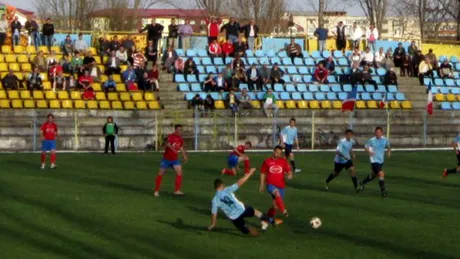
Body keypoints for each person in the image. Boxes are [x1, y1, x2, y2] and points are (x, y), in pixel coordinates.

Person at [208, 168, 270, 235]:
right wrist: (250, 173)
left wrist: (213, 224)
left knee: (246, 230)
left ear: (215, 188)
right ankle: (268, 220)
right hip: (242, 209)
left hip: (234, 217)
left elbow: (214, 213)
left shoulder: (214, 200)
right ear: (221, 185)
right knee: (255, 212)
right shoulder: (226, 190)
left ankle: (256, 234)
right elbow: (239, 182)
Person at [260, 146, 293, 224]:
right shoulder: (267, 161)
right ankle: (284, 211)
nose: (278, 154)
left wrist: (290, 175)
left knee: (275, 206)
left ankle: (265, 221)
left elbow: (289, 171)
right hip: (270, 185)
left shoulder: (283, 161)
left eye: (280, 153)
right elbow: (262, 172)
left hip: (281, 186)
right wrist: (262, 184)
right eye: (277, 152)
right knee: (276, 193)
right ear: (273, 151)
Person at [154, 124, 188, 197]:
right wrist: (173, 149)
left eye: (181, 130)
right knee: (161, 174)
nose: (180, 131)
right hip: (166, 159)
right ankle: (156, 190)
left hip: (175, 159)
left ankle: (177, 190)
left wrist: (184, 156)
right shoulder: (170, 136)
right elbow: (167, 144)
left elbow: (181, 147)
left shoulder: (180, 138)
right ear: (175, 130)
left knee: (180, 173)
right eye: (179, 129)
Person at [357, 127, 391, 197]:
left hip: (381, 160)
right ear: (375, 133)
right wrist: (369, 152)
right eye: (376, 132)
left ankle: (362, 183)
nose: (377, 134)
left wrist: (388, 151)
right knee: (381, 174)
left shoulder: (385, 140)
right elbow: (365, 147)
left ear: (381, 133)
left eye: (379, 132)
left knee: (373, 175)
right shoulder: (371, 140)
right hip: (374, 160)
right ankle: (383, 192)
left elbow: (388, 146)